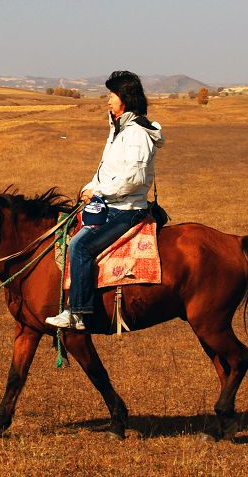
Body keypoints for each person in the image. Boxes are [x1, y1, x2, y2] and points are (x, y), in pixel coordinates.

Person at [46, 71, 164, 330]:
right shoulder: (119, 129)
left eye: (112, 95)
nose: (108, 100)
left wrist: (100, 195)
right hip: (111, 202)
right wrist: (89, 188)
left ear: (125, 98)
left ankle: (78, 312)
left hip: (126, 208)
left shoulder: (136, 134)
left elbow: (133, 178)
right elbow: (106, 171)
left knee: (80, 246)